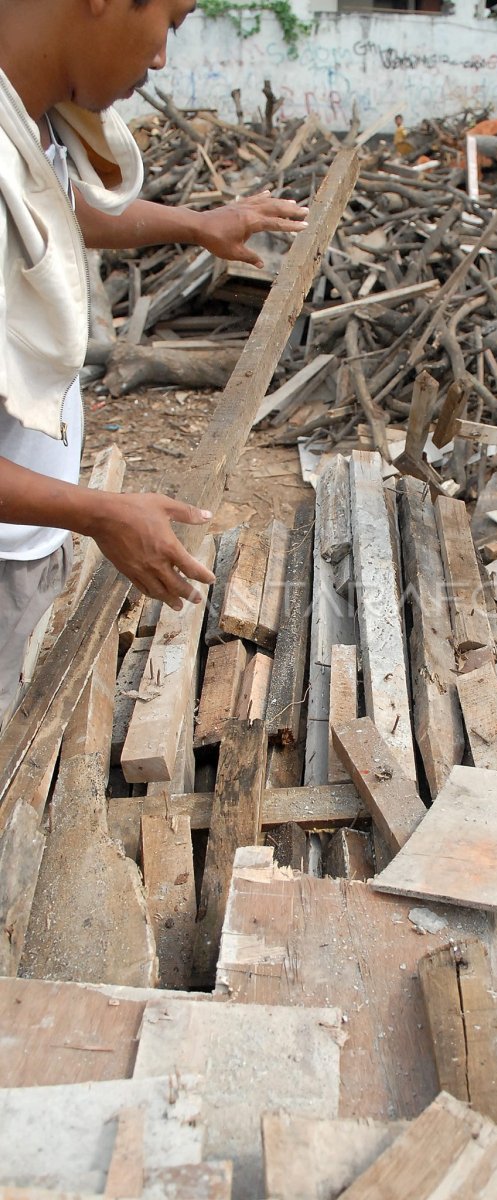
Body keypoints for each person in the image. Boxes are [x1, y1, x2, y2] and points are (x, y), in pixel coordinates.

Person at [0, 0, 309, 724]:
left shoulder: (28, 120)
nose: (163, 57)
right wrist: (98, 511)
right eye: (170, 19)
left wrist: (198, 225)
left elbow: (58, 207)